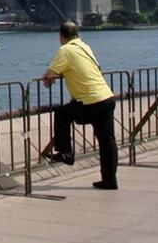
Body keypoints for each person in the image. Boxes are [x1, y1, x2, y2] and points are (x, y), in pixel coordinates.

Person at [41, 21, 118, 190]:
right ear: (78, 35)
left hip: (91, 101)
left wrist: (49, 78)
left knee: (62, 114)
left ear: (61, 37)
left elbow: (49, 75)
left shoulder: (65, 50)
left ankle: (66, 153)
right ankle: (110, 180)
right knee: (107, 142)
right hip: (106, 97)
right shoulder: (85, 47)